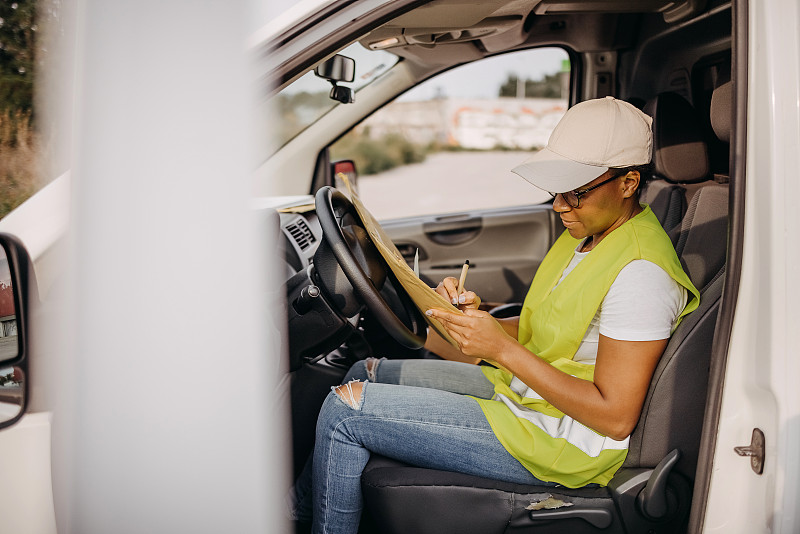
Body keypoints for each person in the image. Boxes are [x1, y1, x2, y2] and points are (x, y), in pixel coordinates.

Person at [290, 96, 700, 534]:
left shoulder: (641, 273)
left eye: (575, 192)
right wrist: (469, 318)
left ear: (628, 182)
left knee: (345, 410)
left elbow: (615, 416)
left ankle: (300, 520)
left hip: (560, 437)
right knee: (363, 370)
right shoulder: (589, 234)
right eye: (555, 190)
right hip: (528, 397)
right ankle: (294, 513)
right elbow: (544, 328)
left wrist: (499, 349)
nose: (560, 206)